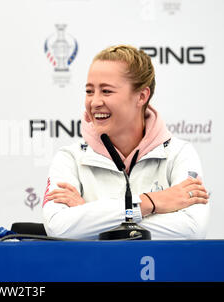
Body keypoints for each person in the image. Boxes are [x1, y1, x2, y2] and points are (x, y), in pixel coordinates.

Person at [42, 45, 209, 240]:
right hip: (94, 271)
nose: (94, 102)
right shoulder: (69, 158)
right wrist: (150, 202)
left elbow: (192, 230)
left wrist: (89, 216)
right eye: (89, 91)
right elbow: (58, 228)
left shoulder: (179, 153)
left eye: (106, 91)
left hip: (159, 270)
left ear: (141, 96)